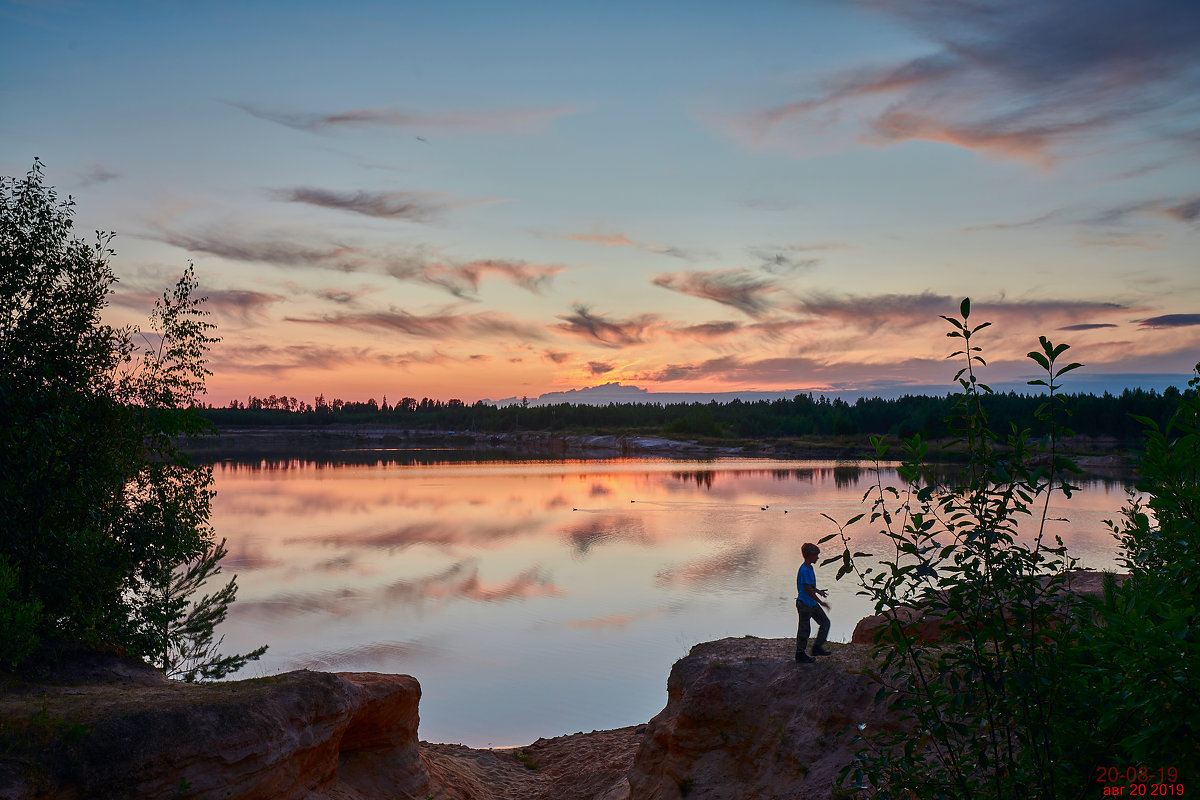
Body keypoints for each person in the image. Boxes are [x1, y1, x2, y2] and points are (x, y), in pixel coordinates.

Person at [795, 542, 831, 663]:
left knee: (825, 623)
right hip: (805, 604)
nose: (817, 557)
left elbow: (810, 586)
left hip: (811, 603)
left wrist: (818, 591)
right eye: (816, 555)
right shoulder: (804, 570)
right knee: (804, 630)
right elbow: (808, 590)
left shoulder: (810, 568)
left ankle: (817, 648)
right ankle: (800, 654)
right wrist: (821, 602)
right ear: (809, 556)